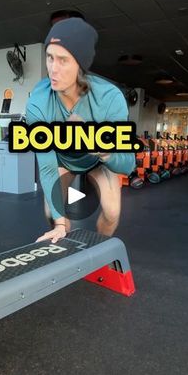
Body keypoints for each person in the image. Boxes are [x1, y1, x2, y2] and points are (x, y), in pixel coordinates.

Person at [26, 17, 135, 243]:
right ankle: (68, 247)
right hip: (63, 160)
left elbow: (128, 163)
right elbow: (46, 167)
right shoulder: (38, 101)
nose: (53, 69)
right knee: (52, 214)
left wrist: (102, 148)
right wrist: (58, 224)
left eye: (63, 60)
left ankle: (96, 249)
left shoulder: (109, 98)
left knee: (112, 211)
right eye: (50, 57)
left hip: (98, 162)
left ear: (81, 65)